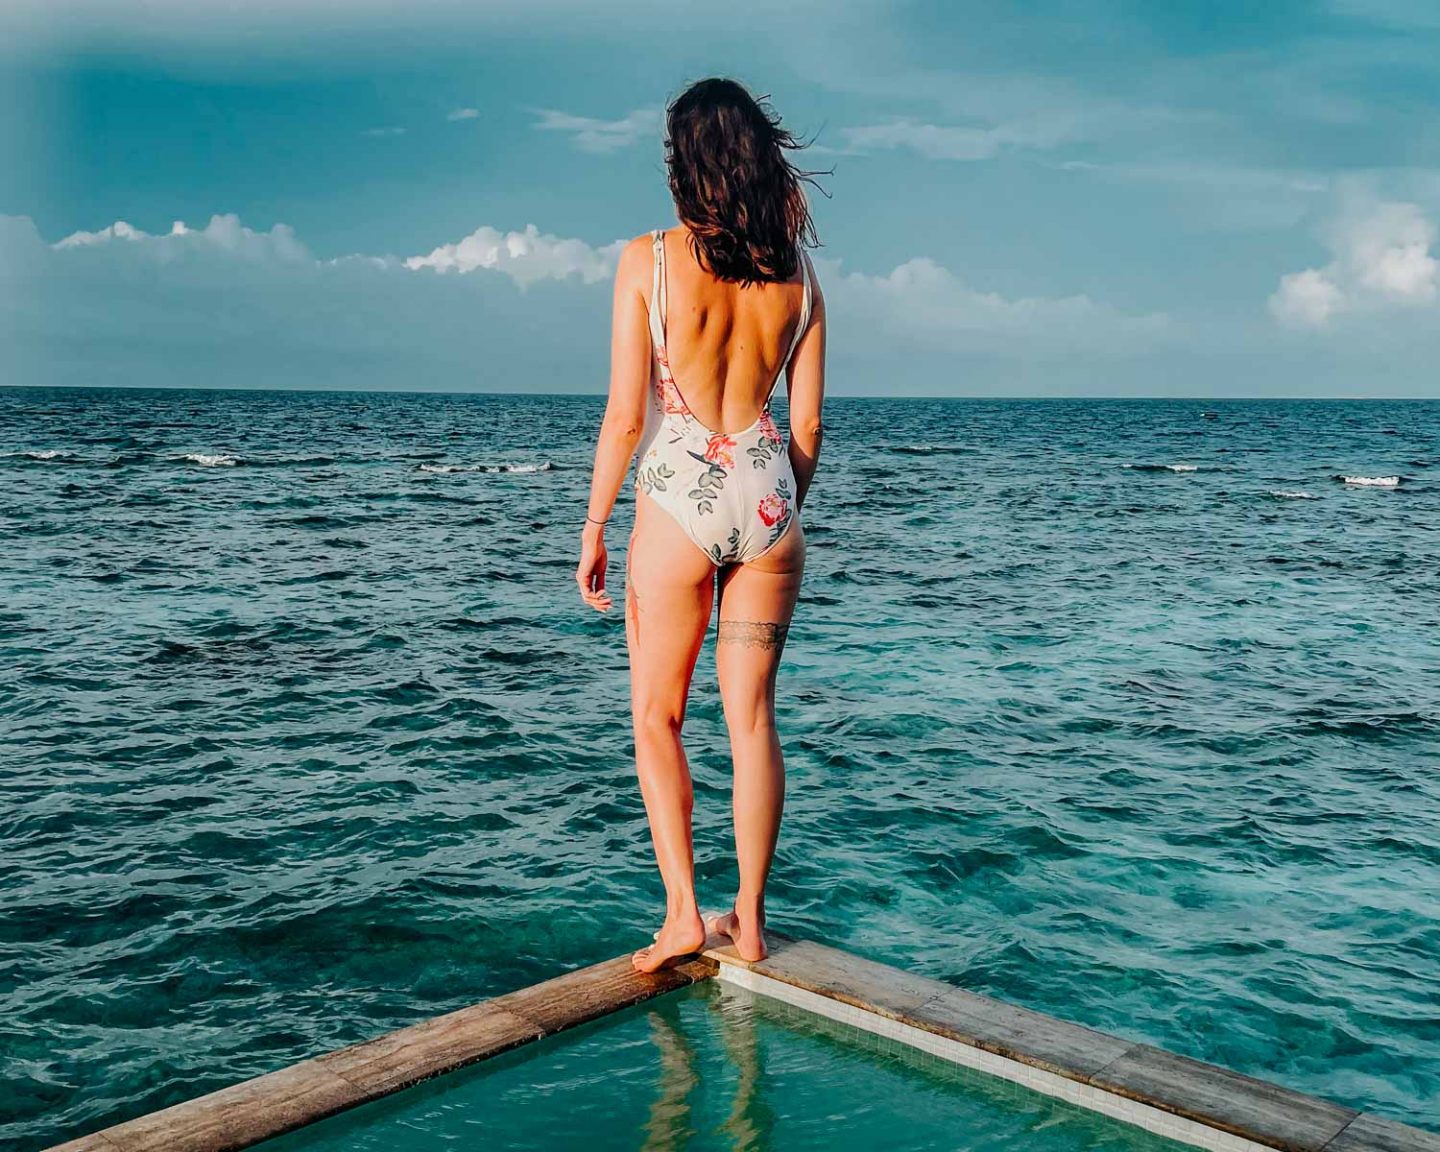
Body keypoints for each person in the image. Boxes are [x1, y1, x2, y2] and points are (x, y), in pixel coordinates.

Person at [576, 77, 827, 973]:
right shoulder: (796, 275)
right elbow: (805, 429)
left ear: (685, 163)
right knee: (752, 719)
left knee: (658, 716)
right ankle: (751, 924)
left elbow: (623, 416)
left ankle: (685, 914)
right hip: (767, 500)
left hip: (679, 498)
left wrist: (597, 522)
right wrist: (769, 501)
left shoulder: (645, 259)